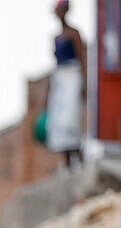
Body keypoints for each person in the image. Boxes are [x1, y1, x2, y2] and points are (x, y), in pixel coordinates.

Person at [46, 0, 88, 166]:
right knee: (59, 119)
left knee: (71, 117)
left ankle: (79, 157)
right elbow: (55, 64)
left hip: (73, 76)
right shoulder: (56, 37)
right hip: (60, 80)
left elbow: (82, 58)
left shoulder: (74, 33)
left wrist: (84, 82)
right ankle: (66, 161)